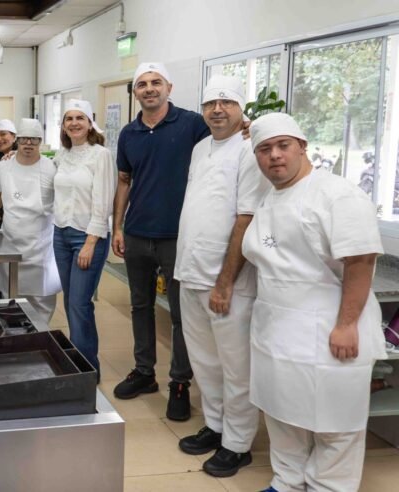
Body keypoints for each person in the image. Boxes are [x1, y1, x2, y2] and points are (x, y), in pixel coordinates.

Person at [243, 113, 386, 492]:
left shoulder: (336, 194)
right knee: (281, 411)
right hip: (276, 329)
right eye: (264, 149)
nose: (275, 155)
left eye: (283, 145)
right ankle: (287, 481)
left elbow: (360, 261)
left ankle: (330, 486)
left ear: (302, 147)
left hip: (330, 327)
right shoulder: (270, 196)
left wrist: (346, 325)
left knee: (335, 420)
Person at [173, 76, 270, 478]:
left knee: (236, 367)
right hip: (190, 272)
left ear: (240, 108)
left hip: (227, 280)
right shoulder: (200, 148)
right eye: (210, 102)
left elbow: (246, 217)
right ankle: (215, 426)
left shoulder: (249, 149)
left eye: (227, 102)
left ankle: (238, 443)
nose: (217, 109)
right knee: (205, 362)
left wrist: (226, 281)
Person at [111, 62, 210, 422]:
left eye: (156, 82)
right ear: (135, 93)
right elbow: (125, 181)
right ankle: (144, 372)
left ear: (169, 86)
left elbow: (225, 142)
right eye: (142, 84)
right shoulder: (129, 133)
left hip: (178, 235)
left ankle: (180, 382)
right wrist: (117, 227)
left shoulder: (192, 125)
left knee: (182, 314)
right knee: (141, 306)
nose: (149, 88)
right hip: (138, 232)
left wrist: (247, 128)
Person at [52, 99, 115, 379]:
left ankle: (87, 371)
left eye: (80, 118)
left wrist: (90, 243)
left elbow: (103, 203)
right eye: (69, 118)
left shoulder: (100, 155)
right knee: (70, 302)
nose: (74, 123)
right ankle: (79, 360)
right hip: (61, 234)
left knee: (79, 303)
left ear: (90, 123)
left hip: (87, 237)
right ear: (63, 126)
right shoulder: (61, 155)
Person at [0, 119, 61, 321]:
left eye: (34, 139)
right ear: (18, 140)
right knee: (11, 295)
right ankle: (14, 331)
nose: (28, 144)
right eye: (24, 139)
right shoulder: (4, 166)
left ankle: (41, 332)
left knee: (42, 299)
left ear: (40, 141)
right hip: (12, 239)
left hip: (42, 243)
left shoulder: (51, 167)